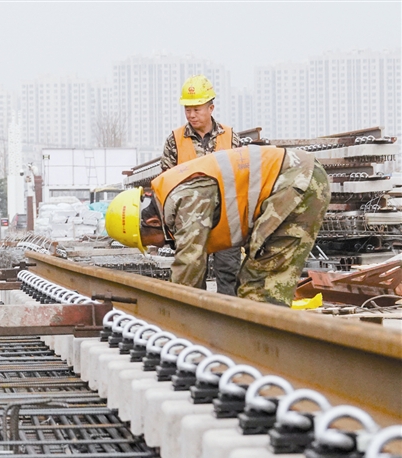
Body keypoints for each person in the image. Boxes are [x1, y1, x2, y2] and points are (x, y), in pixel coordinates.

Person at [105, 145, 329, 307]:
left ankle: (268, 356)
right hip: (294, 181)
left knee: (261, 288)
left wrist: (170, 313)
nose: (158, 245)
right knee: (250, 283)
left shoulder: (183, 199)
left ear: (152, 222)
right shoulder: (172, 197)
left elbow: (190, 263)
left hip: (298, 182)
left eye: (148, 242)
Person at [162, 75, 243, 296]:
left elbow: (241, 179)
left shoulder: (231, 137)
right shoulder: (175, 140)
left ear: (211, 108)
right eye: (187, 109)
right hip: (190, 222)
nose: (191, 114)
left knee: (230, 274)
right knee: (191, 277)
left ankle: (229, 323)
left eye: (197, 109)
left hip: (225, 221)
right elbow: (166, 186)